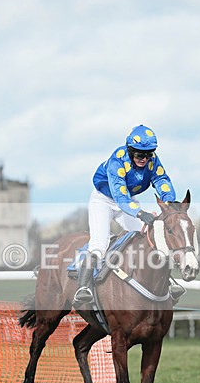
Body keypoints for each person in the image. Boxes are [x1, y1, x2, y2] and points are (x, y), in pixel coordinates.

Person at [73, 124, 177, 307]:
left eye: (148, 154)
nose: (144, 159)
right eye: (139, 154)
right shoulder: (117, 161)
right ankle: (83, 288)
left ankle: (167, 281)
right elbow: (120, 198)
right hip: (104, 200)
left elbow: (161, 179)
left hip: (128, 198)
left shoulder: (152, 160)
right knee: (99, 245)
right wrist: (140, 213)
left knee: (147, 237)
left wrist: (169, 202)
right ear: (130, 150)